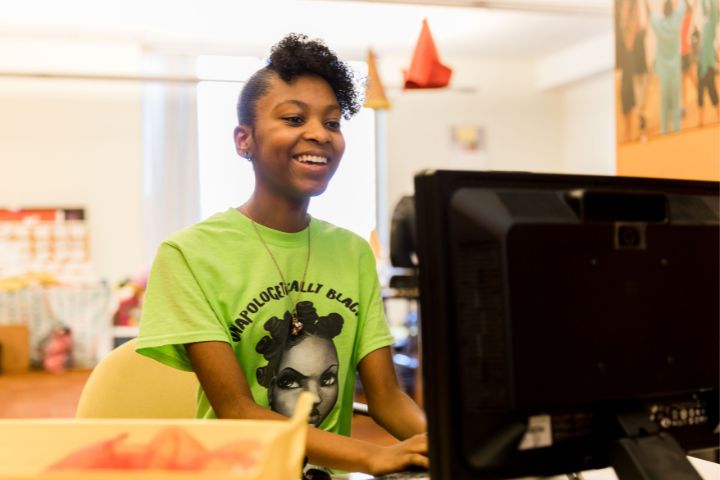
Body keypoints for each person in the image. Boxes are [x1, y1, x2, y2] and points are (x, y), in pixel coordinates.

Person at [136, 33, 428, 476]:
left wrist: (452, 446)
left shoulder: (351, 251)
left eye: (332, 123)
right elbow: (238, 409)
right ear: (244, 140)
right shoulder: (189, 254)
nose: (319, 134)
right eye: (293, 118)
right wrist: (375, 455)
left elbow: (387, 397)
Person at [645, 0, 688, 134]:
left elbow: (649, 14)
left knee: (664, 104)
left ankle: (664, 131)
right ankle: (677, 130)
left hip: (663, 72)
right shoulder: (676, 22)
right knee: (675, 103)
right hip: (675, 70)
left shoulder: (659, 24)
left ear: (663, 12)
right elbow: (684, 5)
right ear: (672, 11)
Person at [697, 0, 719, 126]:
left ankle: (718, 114)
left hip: (708, 66)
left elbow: (714, 11)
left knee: (712, 91)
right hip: (702, 65)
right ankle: (700, 121)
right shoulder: (706, 23)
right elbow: (705, 8)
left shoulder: (711, 25)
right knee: (700, 92)